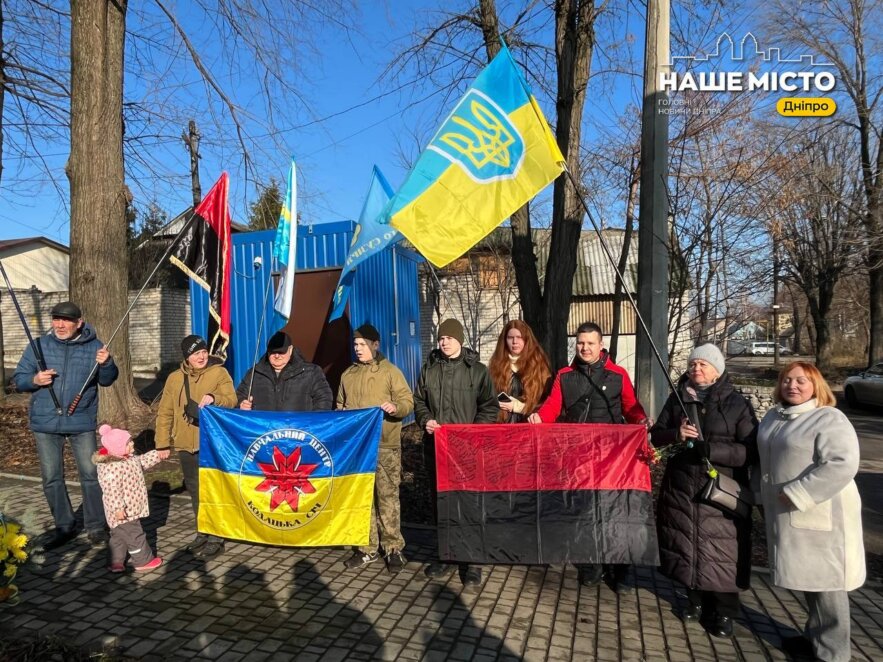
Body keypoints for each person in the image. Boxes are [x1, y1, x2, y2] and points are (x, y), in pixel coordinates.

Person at [529, 321, 649, 592]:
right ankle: (592, 564)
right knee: (585, 513)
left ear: (601, 345)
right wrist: (539, 418)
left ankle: (619, 570)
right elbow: (552, 408)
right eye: (580, 343)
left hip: (612, 458)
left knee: (615, 513)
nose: (584, 347)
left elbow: (631, 407)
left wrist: (641, 419)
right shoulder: (565, 375)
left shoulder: (617, 374)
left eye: (590, 343)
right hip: (578, 458)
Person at [757, 361, 865, 662]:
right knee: (810, 581)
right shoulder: (774, 417)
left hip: (820, 514)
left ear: (815, 385)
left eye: (801, 381)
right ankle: (814, 639)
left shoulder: (829, 418)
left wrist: (799, 493)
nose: (792, 386)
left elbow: (842, 463)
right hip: (787, 513)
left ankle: (833, 654)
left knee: (828, 586)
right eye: (787, 380)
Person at [651, 344, 757, 639]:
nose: (696, 369)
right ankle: (694, 600)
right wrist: (676, 433)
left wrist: (712, 450)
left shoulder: (737, 404)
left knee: (723, 549)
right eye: (693, 364)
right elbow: (656, 435)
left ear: (717, 369)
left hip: (721, 488)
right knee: (688, 543)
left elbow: (750, 451)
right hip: (683, 484)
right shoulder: (678, 400)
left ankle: (723, 611)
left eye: (703, 365)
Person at [12, 301, 119, 550]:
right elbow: (18, 380)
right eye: (56, 319)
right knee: (51, 477)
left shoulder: (95, 347)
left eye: (66, 320)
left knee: (91, 476)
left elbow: (107, 381)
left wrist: (107, 364)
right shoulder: (38, 346)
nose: (60, 324)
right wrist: (34, 379)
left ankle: (95, 527)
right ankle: (64, 526)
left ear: (78, 323)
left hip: (80, 421)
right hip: (45, 422)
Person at [414, 318, 498, 587]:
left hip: (468, 451)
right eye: (441, 338)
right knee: (442, 504)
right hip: (437, 449)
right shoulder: (429, 369)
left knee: (470, 504)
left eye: (449, 338)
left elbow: (490, 407)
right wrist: (425, 419)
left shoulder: (478, 371)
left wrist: (473, 432)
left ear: (460, 340)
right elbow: (418, 401)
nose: (444, 342)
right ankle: (447, 555)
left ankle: (472, 560)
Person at [337, 324, 414, 573]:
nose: (358, 349)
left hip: (385, 446)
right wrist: (341, 413)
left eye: (362, 345)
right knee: (362, 499)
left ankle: (393, 548)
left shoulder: (390, 372)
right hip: (357, 449)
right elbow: (339, 404)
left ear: (375, 345)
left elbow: (407, 401)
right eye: (355, 345)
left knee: (387, 498)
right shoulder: (347, 374)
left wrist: (395, 407)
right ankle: (367, 547)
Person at [155, 334, 237, 560]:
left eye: (202, 352)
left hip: (211, 443)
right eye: (195, 354)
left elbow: (232, 399)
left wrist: (214, 397)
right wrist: (162, 443)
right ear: (187, 357)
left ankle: (216, 537)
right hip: (185, 443)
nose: (200, 357)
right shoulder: (174, 378)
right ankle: (203, 530)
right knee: (195, 490)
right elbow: (165, 412)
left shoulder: (219, 372)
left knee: (212, 489)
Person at [94, 424, 167, 573]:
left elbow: (141, 462)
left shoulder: (128, 459)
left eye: (131, 441)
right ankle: (143, 561)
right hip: (124, 510)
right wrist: (118, 509)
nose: (132, 443)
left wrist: (157, 455)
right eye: (128, 443)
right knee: (135, 535)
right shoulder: (111, 468)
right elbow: (112, 491)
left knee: (118, 537)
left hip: (130, 507)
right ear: (117, 447)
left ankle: (115, 562)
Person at [236, 331, 333, 412]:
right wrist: (242, 404)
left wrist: (313, 423)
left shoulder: (311, 372)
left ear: (290, 350)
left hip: (299, 432)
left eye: (281, 351)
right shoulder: (254, 373)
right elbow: (238, 397)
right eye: (273, 352)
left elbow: (324, 398)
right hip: (265, 432)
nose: (277, 356)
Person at [488, 320, 552, 423]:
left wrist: (518, 407)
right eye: (510, 338)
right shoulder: (495, 367)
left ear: (527, 339)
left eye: (519, 337)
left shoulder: (539, 367)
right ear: (504, 340)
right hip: (501, 427)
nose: (514, 342)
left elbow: (547, 403)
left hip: (529, 427)